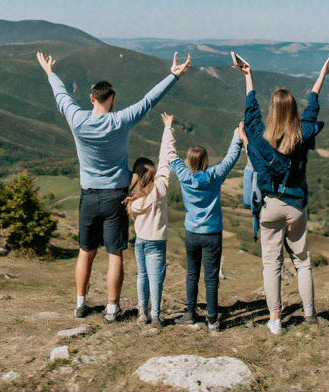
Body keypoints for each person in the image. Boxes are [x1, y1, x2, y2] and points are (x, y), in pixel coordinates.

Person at [37, 51, 191, 321]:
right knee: (114, 254)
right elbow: (149, 100)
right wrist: (173, 75)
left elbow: (61, 96)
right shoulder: (120, 120)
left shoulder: (77, 119)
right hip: (116, 198)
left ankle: (81, 303)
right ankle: (111, 308)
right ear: (113, 100)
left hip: (88, 195)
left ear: (91, 98)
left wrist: (50, 73)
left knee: (86, 251)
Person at [235, 51, 329, 334]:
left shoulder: (260, 134)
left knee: (271, 265)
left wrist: (248, 76)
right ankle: (310, 316)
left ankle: (275, 320)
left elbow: (250, 111)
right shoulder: (302, 133)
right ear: (293, 110)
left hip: (270, 206)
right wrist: (322, 74)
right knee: (302, 262)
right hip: (296, 205)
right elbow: (313, 108)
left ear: (272, 111)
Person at [170, 128, 243, 331]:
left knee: (192, 274)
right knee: (211, 278)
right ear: (205, 160)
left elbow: (170, 154)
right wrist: (237, 133)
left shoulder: (184, 175)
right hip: (212, 234)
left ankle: (191, 313)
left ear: (189, 161)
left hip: (192, 234)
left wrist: (168, 128)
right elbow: (231, 156)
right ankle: (212, 320)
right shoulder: (216, 174)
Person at [124, 112, 175, 329]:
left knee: (142, 276)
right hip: (156, 242)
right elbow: (166, 157)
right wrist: (168, 129)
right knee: (156, 279)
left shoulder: (133, 201)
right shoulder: (160, 188)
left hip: (140, 241)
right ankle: (155, 316)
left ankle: (141, 312)